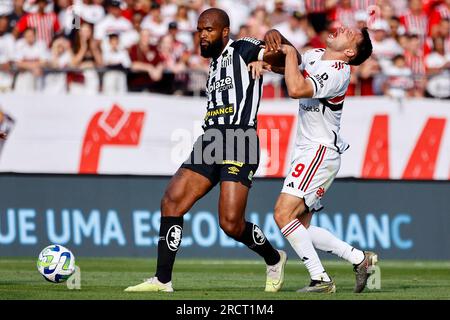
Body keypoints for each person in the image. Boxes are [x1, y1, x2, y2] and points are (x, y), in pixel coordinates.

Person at [125, 7, 288, 293]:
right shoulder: (214, 62)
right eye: (200, 30)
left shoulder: (243, 48)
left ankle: (274, 258)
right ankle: (162, 280)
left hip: (239, 139)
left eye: (208, 30)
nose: (202, 35)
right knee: (172, 201)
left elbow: (282, 58)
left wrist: (278, 38)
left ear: (225, 31)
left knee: (230, 223)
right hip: (211, 141)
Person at [249, 26, 377, 293]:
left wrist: (285, 51)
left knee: (282, 214)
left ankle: (321, 279)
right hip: (310, 151)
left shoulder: (338, 72)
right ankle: (360, 259)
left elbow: (296, 88)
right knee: (300, 227)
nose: (341, 28)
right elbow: (291, 65)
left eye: (350, 33)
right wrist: (274, 43)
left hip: (319, 151)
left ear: (349, 51)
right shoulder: (316, 54)